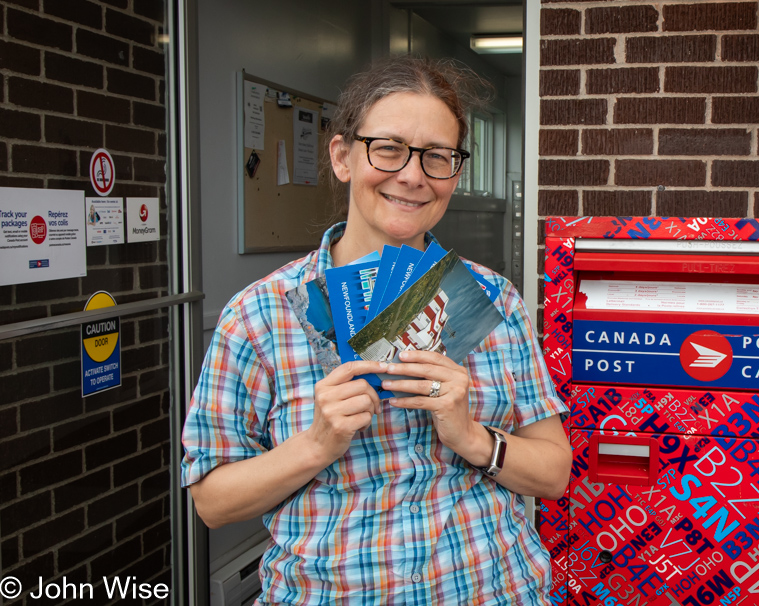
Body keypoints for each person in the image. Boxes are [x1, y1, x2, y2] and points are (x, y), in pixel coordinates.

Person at [181, 56, 571, 605]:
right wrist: (317, 444)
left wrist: (470, 437)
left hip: (493, 590)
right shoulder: (259, 315)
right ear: (342, 156)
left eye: (437, 157)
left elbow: (554, 474)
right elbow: (212, 502)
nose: (412, 176)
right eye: (388, 148)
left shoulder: (493, 301)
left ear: (454, 175)